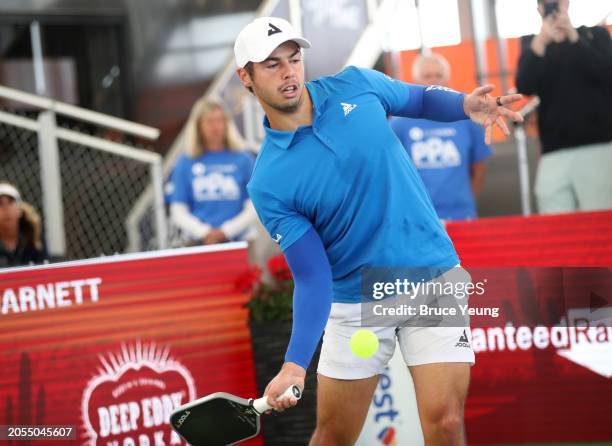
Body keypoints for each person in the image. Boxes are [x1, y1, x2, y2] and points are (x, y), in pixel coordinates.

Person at [234, 16, 522, 445]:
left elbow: (419, 98)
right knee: (333, 436)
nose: (289, 71)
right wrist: (295, 364)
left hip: (432, 276)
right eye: (272, 64)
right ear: (247, 78)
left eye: (293, 59)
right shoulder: (268, 182)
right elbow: (313, 277)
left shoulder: (355, 84)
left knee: (445, 422)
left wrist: (465, 105)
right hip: (356, 306)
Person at [515, 0, 612, 214]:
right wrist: (541, 42)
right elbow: (525, 85)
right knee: (551, 207)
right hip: (554, 149)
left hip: (597, 145)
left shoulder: (595, 35)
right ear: (539, 9)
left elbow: (605, 72)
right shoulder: (533, 44)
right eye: (547, 4)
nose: (553, 8)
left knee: (599, 218)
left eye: (557, 3)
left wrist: (573, 37)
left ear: (566, 4)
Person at [391, 53, 492, 221]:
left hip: (462, 215)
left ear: (448, 79)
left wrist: (465, 204)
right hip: (418, 218)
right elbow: (391, 174)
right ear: (416, 81)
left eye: (439, 75)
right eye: (427, 76)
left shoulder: (468, 118)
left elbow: (479, 169)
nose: (433, 81)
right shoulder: (399, 124)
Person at [167, 97, 257, 245]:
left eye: (220, 120)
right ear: (198, 126)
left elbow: (254, 206)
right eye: (209, 121)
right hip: (198, 243)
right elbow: (178, 210)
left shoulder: (243, 159)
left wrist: (226, 231)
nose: (216, 126)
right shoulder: (185, 161)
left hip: (240, 241)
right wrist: (204, 232)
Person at [0, 182, 46, 268]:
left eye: (11, 202)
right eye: (0, 204)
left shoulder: (35, 237)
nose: (6, 208)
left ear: (19, 209)